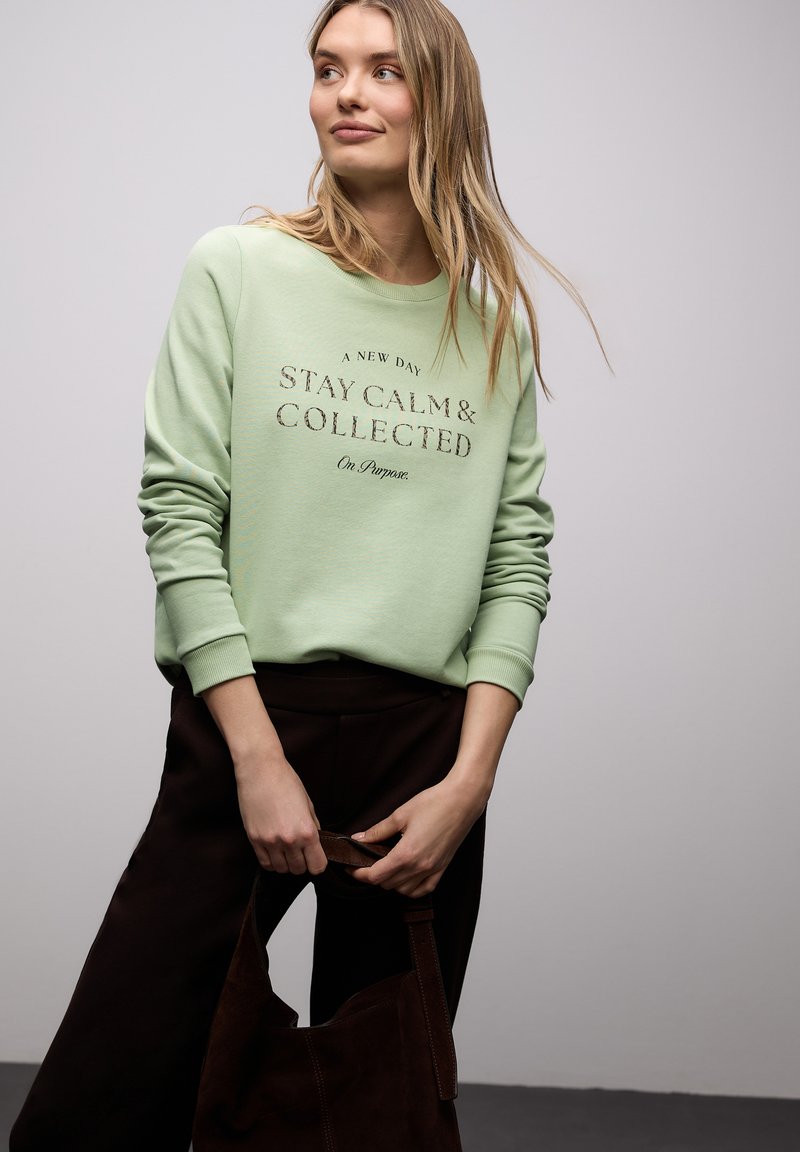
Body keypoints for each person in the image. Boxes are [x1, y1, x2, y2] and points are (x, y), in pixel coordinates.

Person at [11, 1, 603, 1148]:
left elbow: (516, 556)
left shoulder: (491, 325)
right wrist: (255, 760)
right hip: (250, 718)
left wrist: (468, 784)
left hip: (422, 756)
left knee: (370, 1113)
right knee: (108, 1093)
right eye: (328, 68)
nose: (347, 92)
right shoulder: (238, 269)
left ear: (439, 99)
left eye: (383, 70)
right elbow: (180, 513)